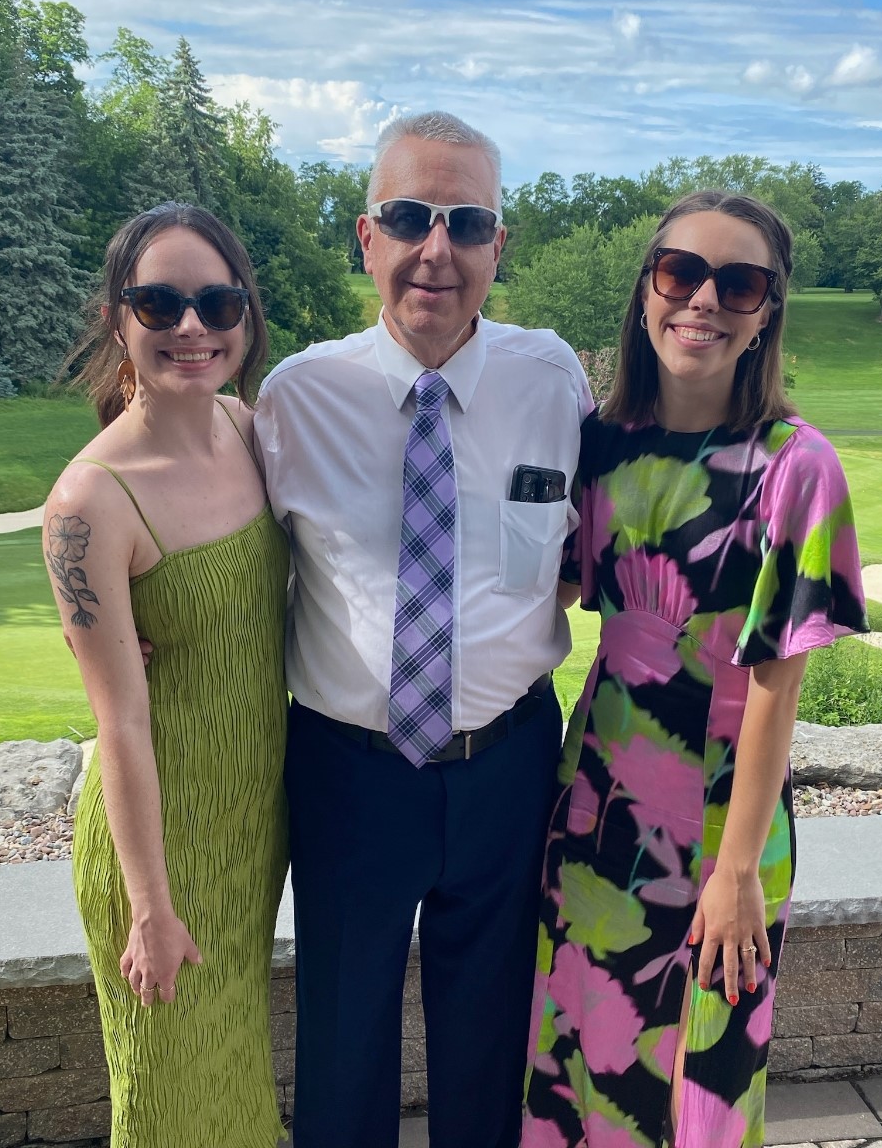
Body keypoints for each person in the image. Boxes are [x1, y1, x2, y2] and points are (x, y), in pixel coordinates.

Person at [254, 111, 593, 1148]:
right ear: (368, 237)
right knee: (344, 1047)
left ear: (502, 245)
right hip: (349, 772)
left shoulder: (555, 383)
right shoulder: (294, 399)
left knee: (491, 1045)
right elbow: (219, 560)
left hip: (508, 762)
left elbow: (602, 550)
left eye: (467, 221)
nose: (436, 249)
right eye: (410, 216)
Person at [521, 191, 869, 1148]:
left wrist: (738, 872)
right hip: (592, 804)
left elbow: (774, 683)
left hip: (723, 827)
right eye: (681, 272)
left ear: (766, 314)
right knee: (580, 1053)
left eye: (740, 282)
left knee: (702, 1080)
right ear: (646, 293)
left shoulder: (796, 468)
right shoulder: (599, 444)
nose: (704, 300)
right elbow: (538, 593)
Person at [43, 203, 289, 1148]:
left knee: (232, 1079)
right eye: (160, 303)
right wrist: (149, 910)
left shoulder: (245, 427)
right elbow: (122, 725)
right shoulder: (91, 498)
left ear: (244, 317)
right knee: (167, 1103)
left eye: (217, 301)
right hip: (159, 848)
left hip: (245, 829)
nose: (193, 325)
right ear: (119, 320)